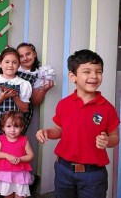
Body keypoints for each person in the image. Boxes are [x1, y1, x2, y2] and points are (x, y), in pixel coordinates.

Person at [36, 49, 120, 198]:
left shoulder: (107, 108)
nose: (94, 76)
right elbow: (60, 130)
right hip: (64, 170)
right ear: (72, 76)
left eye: (98, 72)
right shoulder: (64, 104)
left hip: (93, 175)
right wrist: (47, 132)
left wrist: (108, 141)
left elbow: (114, 137)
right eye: (87, 71)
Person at [0, 47, 32, 146]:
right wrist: (2, 98)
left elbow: (25, 109)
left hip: (15, 124)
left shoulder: (23, 84)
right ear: (0, 64)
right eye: (7, 62)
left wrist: (15, 97)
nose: (10, 65)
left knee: (13, 150)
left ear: (19, 65)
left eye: (14, 62)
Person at [0, 110, 34, 198]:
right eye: (8, 126)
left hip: (20, 173)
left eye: (16, 126)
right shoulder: (1, 139)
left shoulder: (24, 140)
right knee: (7, 195)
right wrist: (7, 156)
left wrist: (20, 159)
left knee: (20, 195)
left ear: (22, 128)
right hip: (5, 173)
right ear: (3, 127)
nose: (12, 130)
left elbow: (30, 155)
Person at [16, 42, 54, 134]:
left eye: (28, 54)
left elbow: (35, 101)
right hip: (5, 109)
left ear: (34, 54)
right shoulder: (13, 69)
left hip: (23, 113)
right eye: (21, 56)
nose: (25, 58)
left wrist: (44, 90)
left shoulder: (39, 74)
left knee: (16, 140)